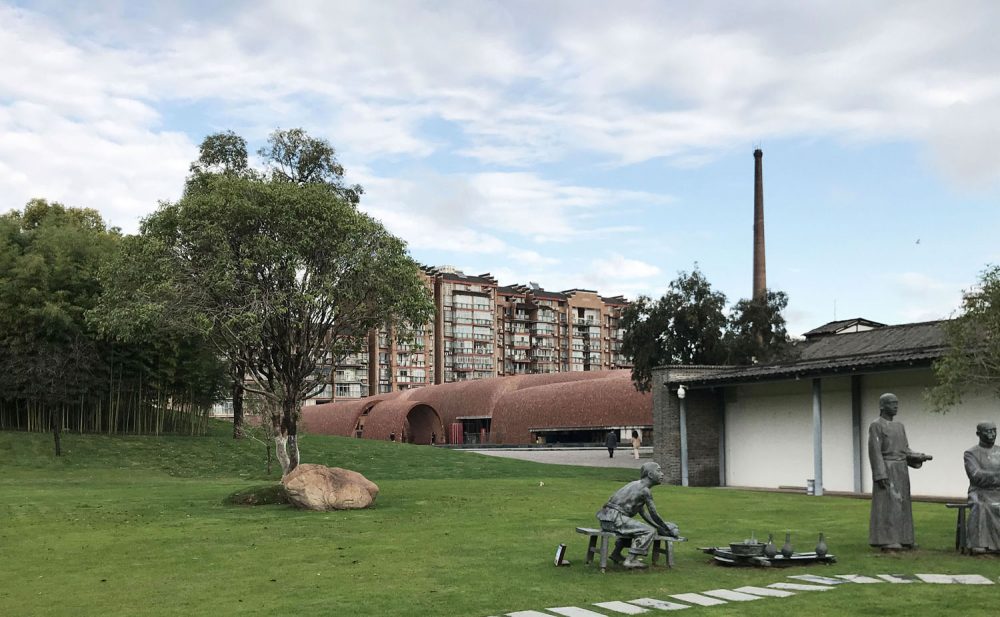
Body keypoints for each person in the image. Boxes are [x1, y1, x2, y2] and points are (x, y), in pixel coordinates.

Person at [868, 393, 932, 550]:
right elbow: (875, 451)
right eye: (891, 403)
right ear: (882, 406)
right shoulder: (876, 425)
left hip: (901, 470)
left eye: (897, 403)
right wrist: (880, 474)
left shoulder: (900, 426)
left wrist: (918, 457)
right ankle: (888, 539)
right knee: (889, 504)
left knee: (903, 503)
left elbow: (905, 450)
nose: (896, 406)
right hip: (887, 468)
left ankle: (905, 538)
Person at [596, 462, 681, 569]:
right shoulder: (645, 491)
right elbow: (653, 514)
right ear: (650, 475)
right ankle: (630, 560)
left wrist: (660, 527)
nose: (662, 474)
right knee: (648, 531)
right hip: (615, 519)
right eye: (658, 471)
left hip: (606, 519)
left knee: (635, 527)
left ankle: (616, 554)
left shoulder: (635, 485)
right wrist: (666, 528)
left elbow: (644, 514)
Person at [964, 422, 1000, 553]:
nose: (991, 434)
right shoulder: (971, 453)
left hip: (998, 491)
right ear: (978, 434)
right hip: (980, 491)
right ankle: (979, 544)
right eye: (988, 431)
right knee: (981, 506)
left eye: (994, 431)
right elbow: (976, 476)